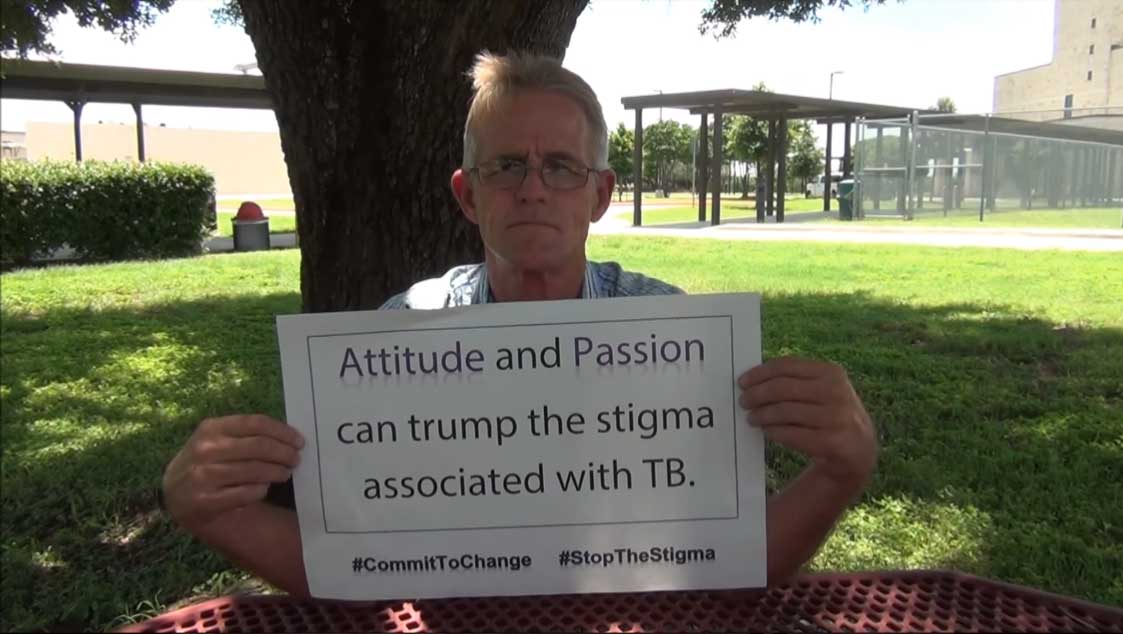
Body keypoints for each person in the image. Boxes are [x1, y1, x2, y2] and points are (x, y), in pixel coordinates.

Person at [160, 51, 877, 598]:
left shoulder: (668, 332)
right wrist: (214, 512)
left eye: (561, 166)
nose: (533, 188)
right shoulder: (397, 337)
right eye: (507, 165)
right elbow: (358, 567)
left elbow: (734, 561)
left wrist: (841, 469)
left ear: (599, 194)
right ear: (467, 195)